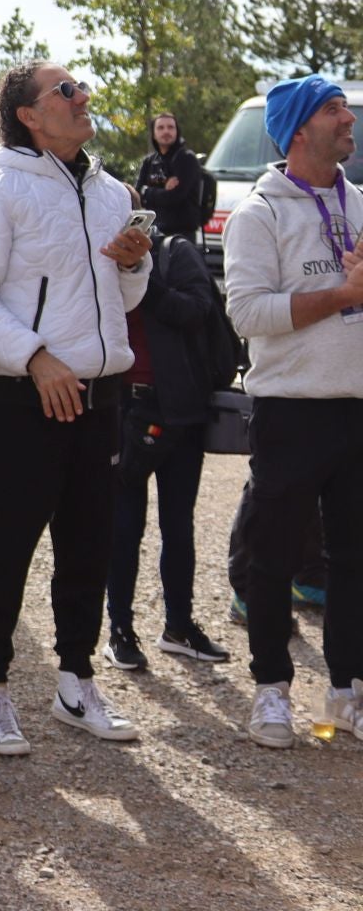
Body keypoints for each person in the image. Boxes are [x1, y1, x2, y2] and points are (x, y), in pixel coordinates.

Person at [0, 62, 152, 756]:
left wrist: (131, 263)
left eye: (81, 87)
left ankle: (76, 681)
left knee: (89, 545)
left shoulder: (109, 189)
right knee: (3, 547)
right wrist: (35, 357)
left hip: (99, 396)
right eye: (66, 91)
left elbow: (123, 302)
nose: (82, 97)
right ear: (29, 115)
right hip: (23, 397)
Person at [222, 74, 363, 749]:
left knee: (354, 561)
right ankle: (272, 692)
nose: (349, 118)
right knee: (274, 560)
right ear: (301, 128)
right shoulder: (260, 213)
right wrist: (342, 293)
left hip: (357, 408)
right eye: (336, 109)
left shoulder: (360, 203)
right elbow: (246, 313)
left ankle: (345, 694)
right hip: (290, 409)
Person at [103, 221, 229, 671]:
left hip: (179, 411)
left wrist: (141, 277)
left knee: (178, 526)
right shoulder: (93, 257)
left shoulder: (176, 253)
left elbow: (197, 311)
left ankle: (179, 625)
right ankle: (119, 630)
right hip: (120, 411)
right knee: (123, 528)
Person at [136, 113, 205, 243]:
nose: (166, 131)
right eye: (160, 128)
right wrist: (161, 191)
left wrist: (148, 191)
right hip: (154, 234)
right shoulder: (149, 161)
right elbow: (137, 195)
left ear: (177, 131)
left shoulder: (186, 158)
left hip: (182, 236)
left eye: (170, 127)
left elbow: (176, 196)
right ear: (153, 133)